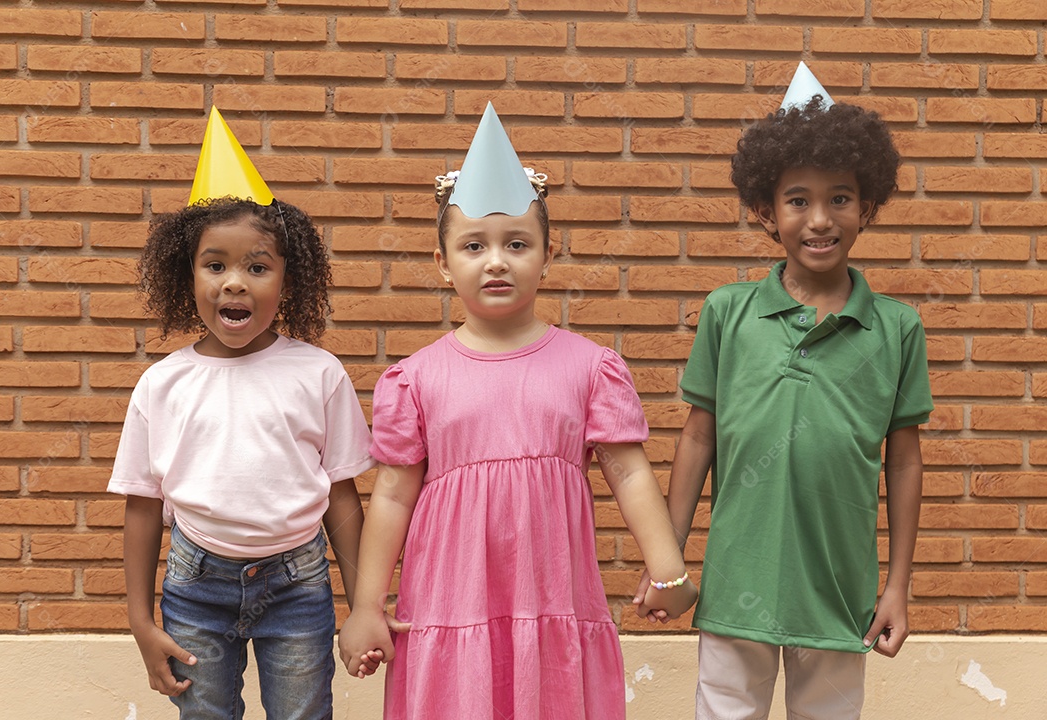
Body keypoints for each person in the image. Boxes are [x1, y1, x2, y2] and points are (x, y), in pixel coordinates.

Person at [337, 103, 697, 720]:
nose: (496, 260)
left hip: (553, 591)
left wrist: (667, 568)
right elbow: (393, 495)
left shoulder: (590, 367)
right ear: (443, 264)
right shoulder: (416, 378)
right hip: (450, 600)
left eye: (517, 243)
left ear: (548, 256)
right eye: (474, 245)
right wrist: (367, 605)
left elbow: (630, 471)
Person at [635, 63, 934, 719]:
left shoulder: (897, 328)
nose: (819, 219)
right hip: (738, 584)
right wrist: (668, 561)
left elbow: (905, 459)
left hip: (839, 593)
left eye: (841, 197)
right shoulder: (728, 313)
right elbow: (697, 437)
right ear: (766, 212)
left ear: (869, 206)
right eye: (798, 200)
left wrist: (898, 587)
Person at [108, 107, 374, 720]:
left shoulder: (318, 373)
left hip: (298, 583)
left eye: (257, 266)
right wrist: (139, 621)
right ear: (189, 273)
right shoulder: (162, 384)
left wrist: (364, 604)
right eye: (216, 264)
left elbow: (342, 496)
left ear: (288, 279)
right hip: (194, 586)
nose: (235, 283)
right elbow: (143, 503)